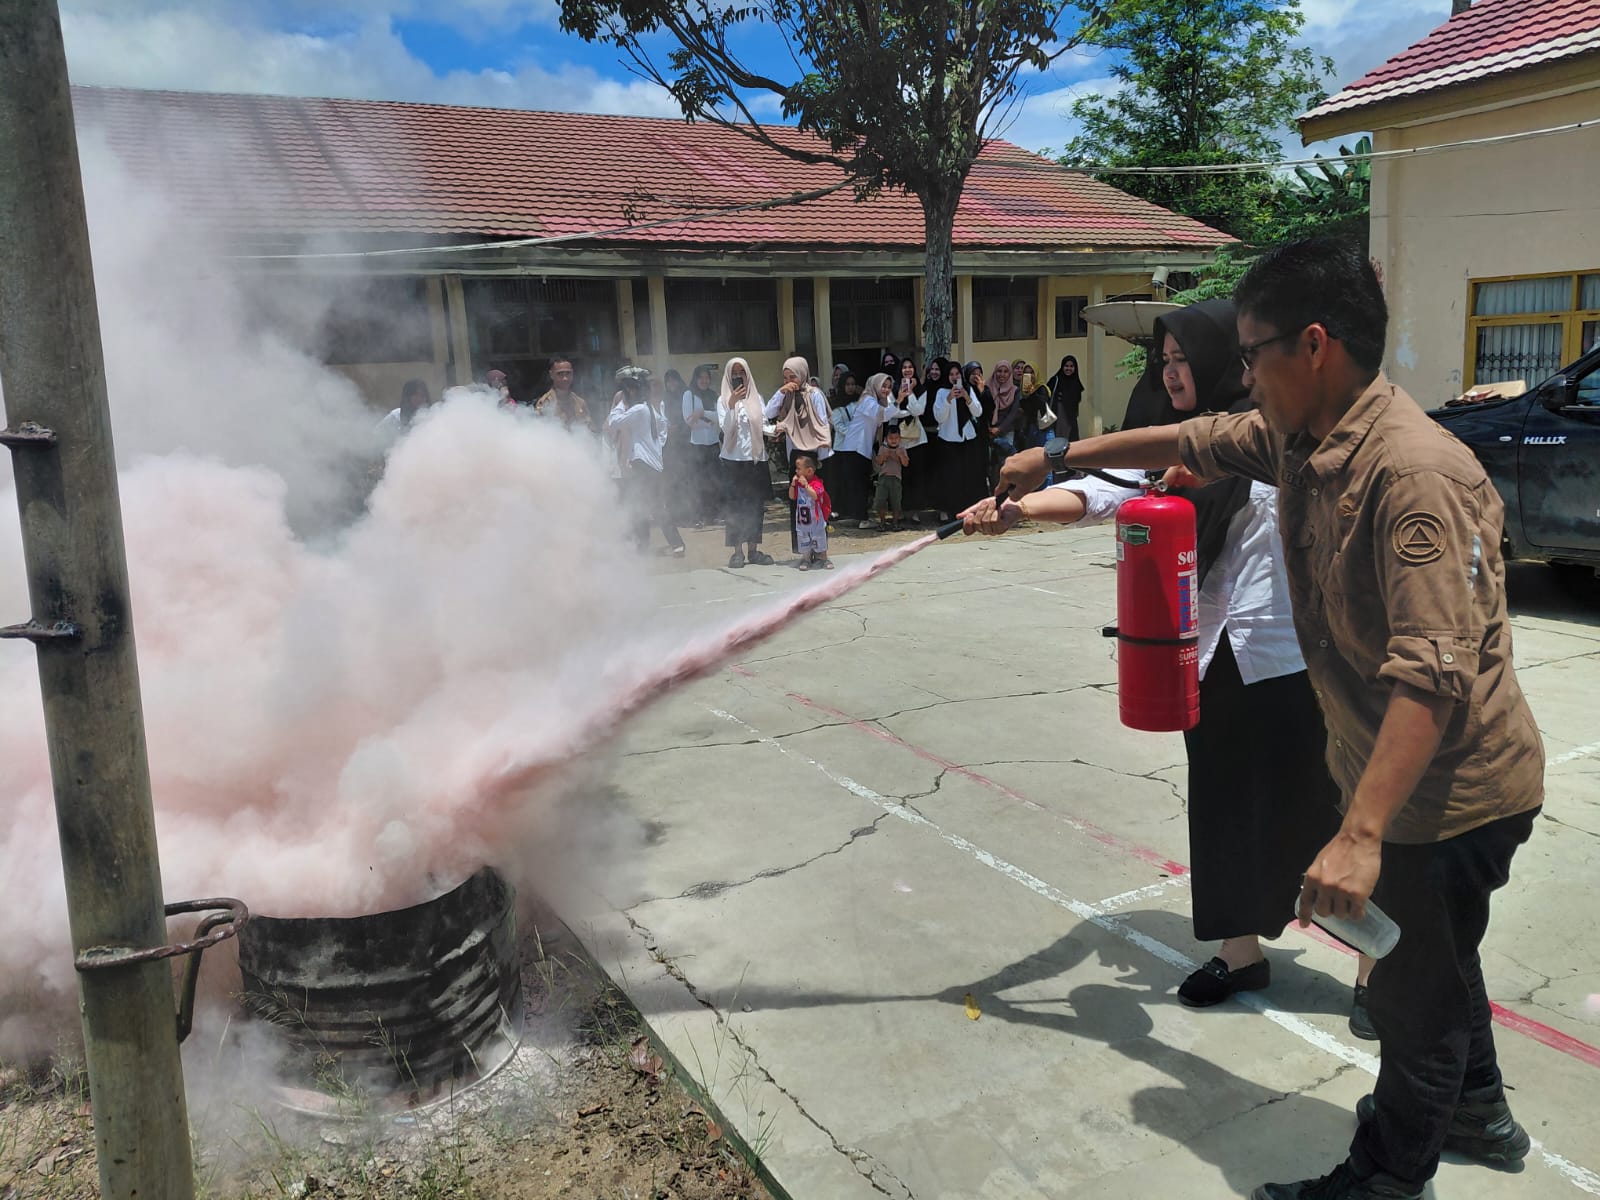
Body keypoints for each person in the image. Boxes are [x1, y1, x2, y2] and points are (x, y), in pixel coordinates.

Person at [980, 239, 1545, 1200]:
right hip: (1406, 776)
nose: (1240, 376)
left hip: (1451, 794)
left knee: (1412, 1001)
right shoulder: (1302, 436)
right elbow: (1186, 442)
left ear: (1313, 344)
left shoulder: (1413, 476)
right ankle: (1479, 1113)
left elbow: (1434, 672)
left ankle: (1382, 1179)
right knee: (1438, 962)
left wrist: (1360, 833)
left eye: (1251, 355)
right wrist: (1055, 453)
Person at [967, 298, 1362, 1016]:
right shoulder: (1156, 432)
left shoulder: (1269, 425)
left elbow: (1310, 493)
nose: (1173, 373)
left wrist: (1203, 473)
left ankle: (1378, 972)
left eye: (1184, 360)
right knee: (1221, 805)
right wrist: (1017, 512)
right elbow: (1096, 494)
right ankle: (1240, 955)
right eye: (1165, 360)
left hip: (1289, 652)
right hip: (1206, 651)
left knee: (1326, 807)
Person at [606, 366, 684, 557]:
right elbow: (663, 427)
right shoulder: (648, 408)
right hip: (651, 464)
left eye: (627, 389)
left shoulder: (639, 409)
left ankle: (669, 544)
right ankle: (665, 544)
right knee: (646, 504)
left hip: (643, 464)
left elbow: (614, 422)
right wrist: (656, 448)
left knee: (647, 504)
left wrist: (620, 403)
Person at [764, 356, 833, 553]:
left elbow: (822, 424)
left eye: (792, 377)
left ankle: (820, 552)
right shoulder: (785, 395)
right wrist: (780, 393)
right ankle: (803, 551)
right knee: (798, 506)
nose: (789, 381)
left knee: (817, 504)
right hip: (795, 455)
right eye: (785, 378)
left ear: (802, 374)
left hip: (813, 455)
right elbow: (768, 413)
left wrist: (821, 456)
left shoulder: (814, 394)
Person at [716, 358, 775, 569]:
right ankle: (737, 552)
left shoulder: (757, 398)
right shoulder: (722, 400)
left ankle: (753, 550)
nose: (738, 375)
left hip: (756, 459)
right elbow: (726, 429)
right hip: (734, 461)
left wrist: (777, 430)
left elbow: (763, 425)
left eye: (742, 371)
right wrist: (731, 405)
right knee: (735, 507)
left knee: (755, 507)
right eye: (734, 372)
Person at [836, 372, 890, 527]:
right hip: (856, 449)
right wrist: (900, 402)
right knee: (859, 484)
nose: (885, 390)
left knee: (860, 483)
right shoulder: (868, 401)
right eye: (883, 386)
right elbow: (884, 415)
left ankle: (860, 516)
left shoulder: (873, 400)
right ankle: (862, 518)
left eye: (888, 387)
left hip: (860, 449)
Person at [933, 358, 985, 520]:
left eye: (957, 374)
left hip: (967, 439)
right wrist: (949, 399)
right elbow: (939, 417)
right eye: (951, 374)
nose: (955, 377)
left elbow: (978, 412)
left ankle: (967, 510)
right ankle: (948, 512)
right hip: (948, 440)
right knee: (950, 477)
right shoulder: (942, 392)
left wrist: (967, 398)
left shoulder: (968, 389)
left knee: (968, 476)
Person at [682, 363, 722, 527]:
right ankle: (697, 516)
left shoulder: (713, 395)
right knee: (697, 481)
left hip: (713, 443)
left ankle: (712, 515)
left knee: (713, 480)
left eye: (707, 378)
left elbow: (719, 417)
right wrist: (707, 422)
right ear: (695, 379)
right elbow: (688, 420)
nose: (704, 381)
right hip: (696, 444)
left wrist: (702, 414)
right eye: (701, 377)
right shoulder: (689, 394)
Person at [789, 453, 834, 570]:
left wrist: (806, 485)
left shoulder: (817, 483)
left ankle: (823, 558)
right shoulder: (798, 484)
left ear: (809, 471)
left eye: (799, 469)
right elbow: (792, 496)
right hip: (803, 520)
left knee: (819, 538)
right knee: (804, 539)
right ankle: (806, 559)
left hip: (816, 519)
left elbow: (815, 496)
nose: (796, 471)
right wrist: (793, 485)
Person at [533, 357, 589, 429]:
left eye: (568, 373)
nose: (565, 378)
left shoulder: (580, 403)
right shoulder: (545, 403)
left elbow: (589, 430)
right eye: (560, 374)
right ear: (551, 375)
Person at [873, 425, 910, 530]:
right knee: (881, 501)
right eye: (891, 438)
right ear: (886, 439)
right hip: (883, 478)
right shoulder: (882, 448)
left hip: (896, 479)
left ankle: (895, 523)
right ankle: (882, 523)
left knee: (896, 502)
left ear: (900, 439)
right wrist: (884, 456)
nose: (893, 441)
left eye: (896, 438)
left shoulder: (902, 449)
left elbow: (906, 464)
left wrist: (900, 455)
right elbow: (878, 462)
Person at [377, 378, 432, 445]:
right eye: (415, 395)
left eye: (422, 395)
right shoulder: (395, 416)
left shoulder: (431, 417)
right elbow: (377, 435)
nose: (419, 398)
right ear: (408, 396)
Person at [1050, 354, 1085, 441]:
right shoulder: (1055, 380)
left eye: (1071, 366)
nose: (1068, 369)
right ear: (1062, 366)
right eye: (1066, 366)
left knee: (1071, 442)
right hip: (1057, 416)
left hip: (1070, 418)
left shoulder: (1076, 383)